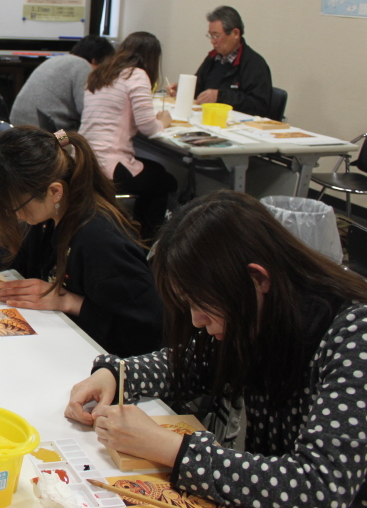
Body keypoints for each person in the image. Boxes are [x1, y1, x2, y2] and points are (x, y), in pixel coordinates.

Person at [65, 190, 367, 507]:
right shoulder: (260, 313)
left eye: (203, 304)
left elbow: (319, 487)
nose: (197, 321)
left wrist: (171, 448)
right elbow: (191, 365)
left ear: (257, 279)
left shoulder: (354, 336)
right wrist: (116, 374)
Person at [0, 126, 164, 357]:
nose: (17, 216)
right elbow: (17, 245)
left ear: (55, 191)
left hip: (101, 360)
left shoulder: (100, 241)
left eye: (17, 207)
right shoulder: (50, 213)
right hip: (56, 341)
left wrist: (70, 302)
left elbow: (146, 329)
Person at [80, 31, 176, 240]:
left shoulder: (100, 73)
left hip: (84, 158)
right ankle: (148, 241)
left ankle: (140, 234)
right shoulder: (137, 75)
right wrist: (164, 122)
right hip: (109, 166)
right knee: (163, 181)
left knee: (156, 174)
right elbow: (148, 127)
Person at [170, 6, 272, 116]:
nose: (212, 41)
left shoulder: (254, 64)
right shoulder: (213, 58)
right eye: (210, 36)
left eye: (216, 36)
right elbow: (199, 88)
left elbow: (258, 106)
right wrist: (184, 90)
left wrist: (220, 97)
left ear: (235, 33)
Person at [9, 35, 115, 130]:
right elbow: (88, 110)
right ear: (94, 60)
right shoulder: (83, 66)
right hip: (51, 134)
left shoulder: (56, 60)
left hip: (20, 129)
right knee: (77, 143)